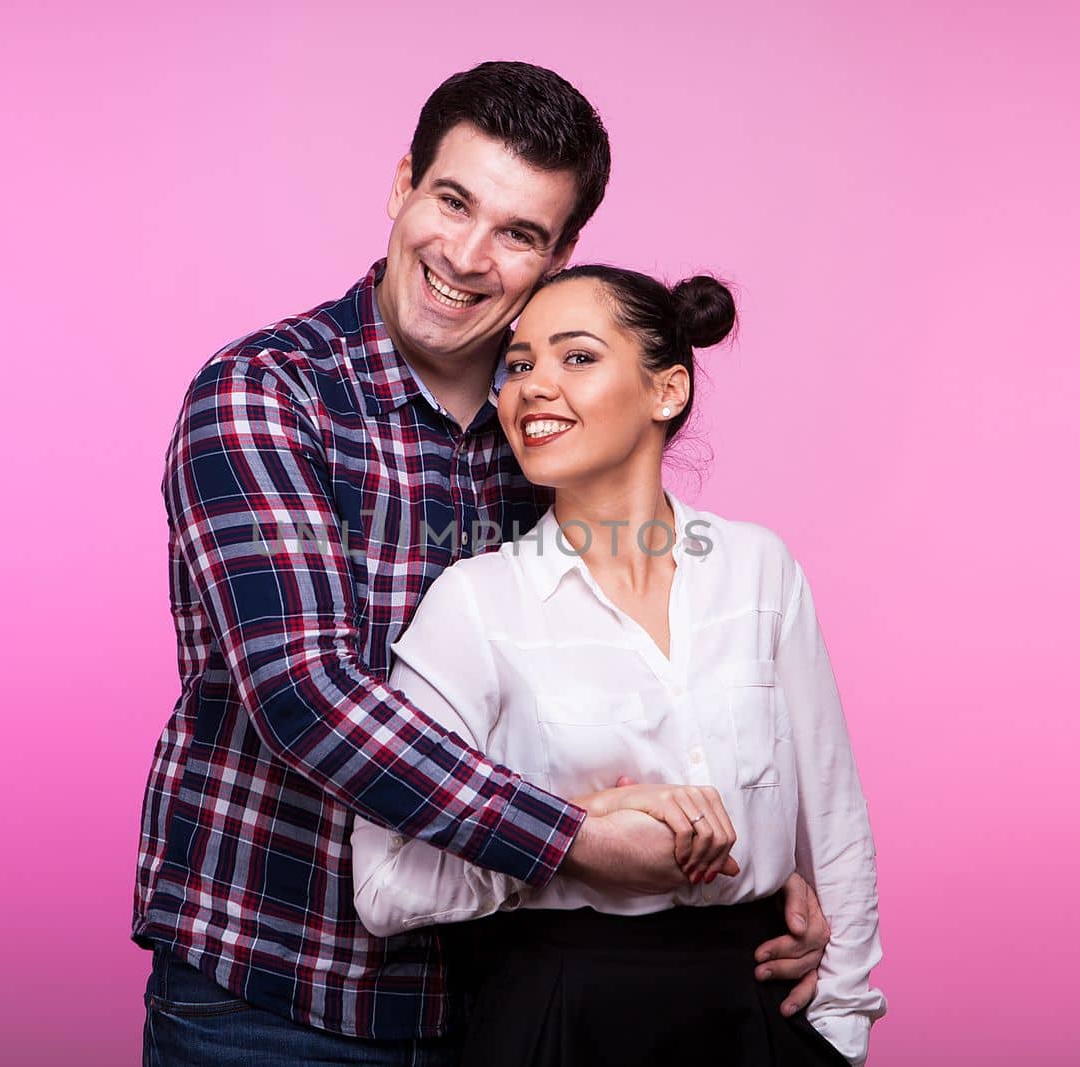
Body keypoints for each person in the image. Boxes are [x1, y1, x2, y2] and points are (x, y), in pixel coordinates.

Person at [135, 62, 832, 1066]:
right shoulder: (268, 394)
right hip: (275, 986)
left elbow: (661, 665)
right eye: (452, 201)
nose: (465, 256)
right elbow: (304, 691)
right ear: (402, 184)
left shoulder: (558, 426)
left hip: (508, 994)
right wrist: (573, 835)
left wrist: (759, 878)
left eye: (517, 233)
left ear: (560, 252)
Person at [351, 266, 886, 1065]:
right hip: (556, 1016)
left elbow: (833, 825)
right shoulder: (475, 601)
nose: (532, 387)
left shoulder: (758, 570)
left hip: (754, 1013)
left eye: (576, 358)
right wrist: (573, 828)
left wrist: (839, 1031)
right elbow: (385, 886)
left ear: (667, 391)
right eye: (520, 364)